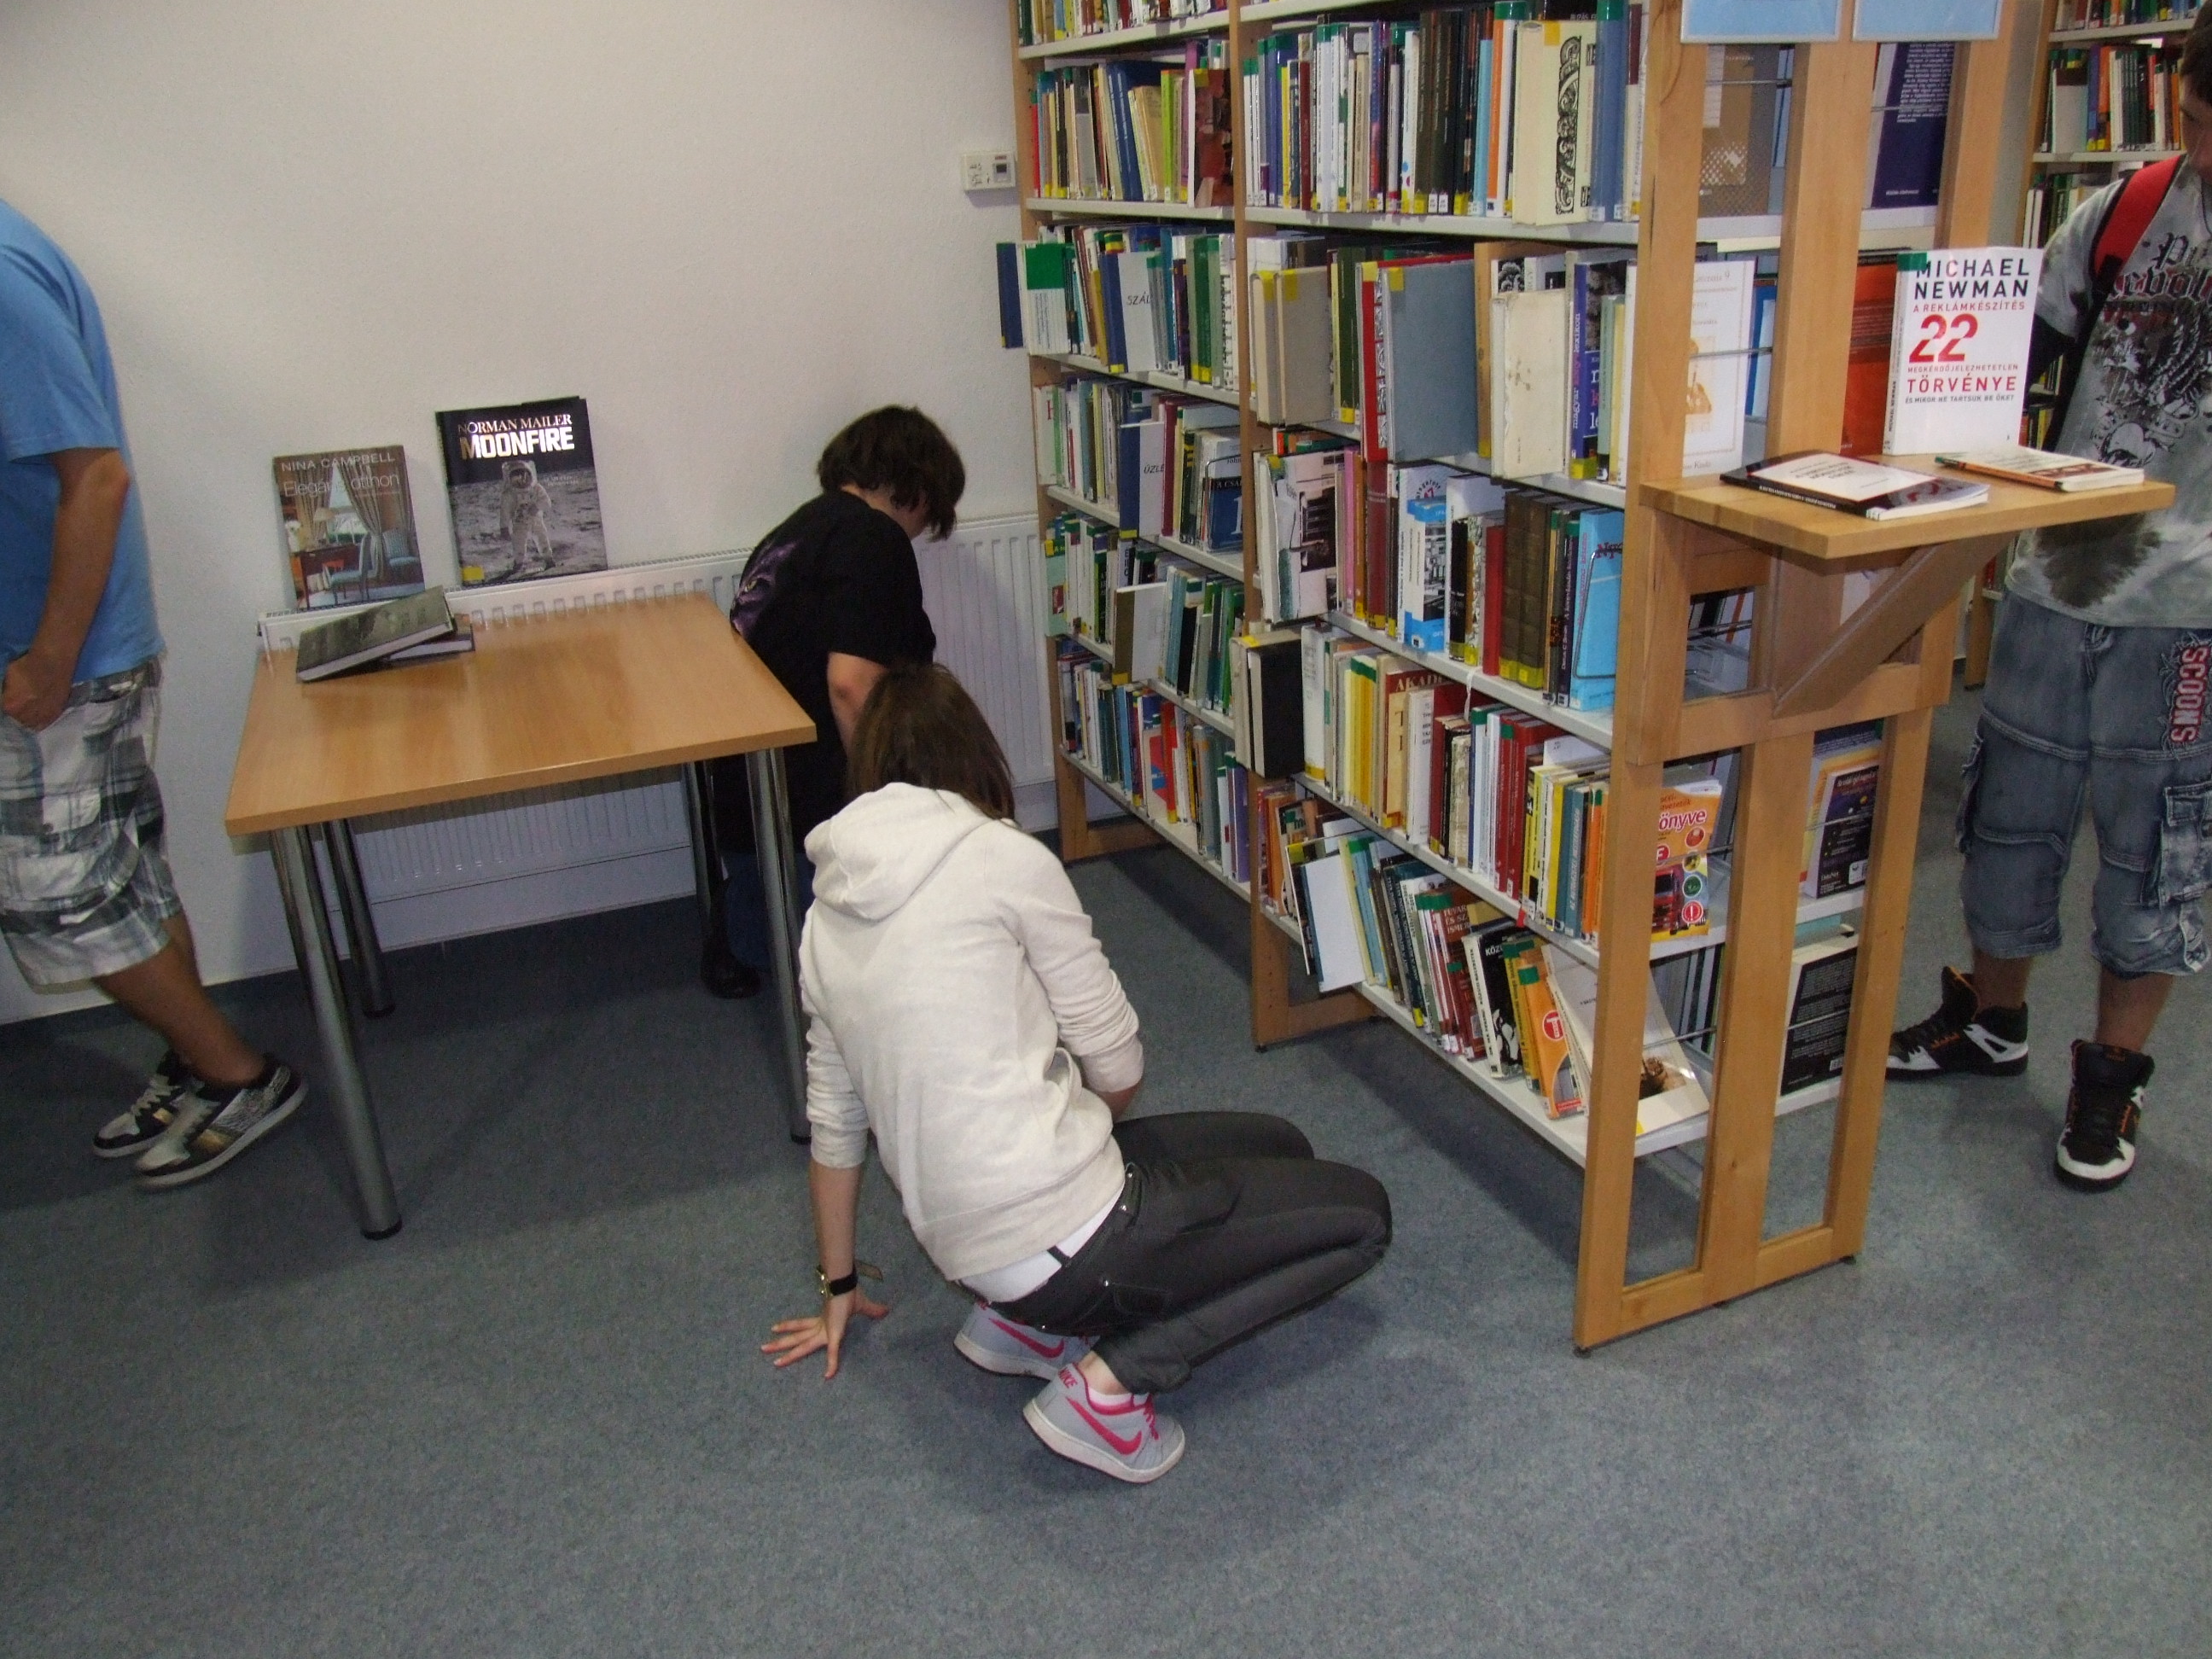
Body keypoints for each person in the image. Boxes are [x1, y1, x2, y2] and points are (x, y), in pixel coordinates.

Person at [762, 663, 1392, 1483]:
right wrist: (1059, 1154)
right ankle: (1109, 1388)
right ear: (975, 752)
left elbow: (835, 1125)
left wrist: (838, 1283)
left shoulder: (823, 920)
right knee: (1360, 1216)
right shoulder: (1004, 858)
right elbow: (1118, 1062)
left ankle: (1021, 1322)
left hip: (971, 1249)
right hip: (1057, 1235)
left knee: (1279, 1143)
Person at [1888, 14, 2212, 1195]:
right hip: (2054, 576)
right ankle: (1993, 1018)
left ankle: (2113, 1071)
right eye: (2198, 121)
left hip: (2190, 609)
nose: (2207, 151)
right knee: (2010, 817)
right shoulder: (2128, 209)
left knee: (2155, 851)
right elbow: (2013, 349)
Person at [0, 196, 304, 1188]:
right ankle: (202, 1064)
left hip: (57, 658)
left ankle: (240, 1074)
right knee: (123, 879)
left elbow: (97, 480)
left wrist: (49, 661)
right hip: (62, 644)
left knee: (61, 902)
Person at [701, 405, 958, 1000]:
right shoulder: (873, 539)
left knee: (772, 930)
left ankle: (745, 930)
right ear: (918, 488)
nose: (922, 530)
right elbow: (851, 684)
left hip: (752, 795)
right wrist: (885, 799)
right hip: (807, 804)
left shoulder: (797, 531)